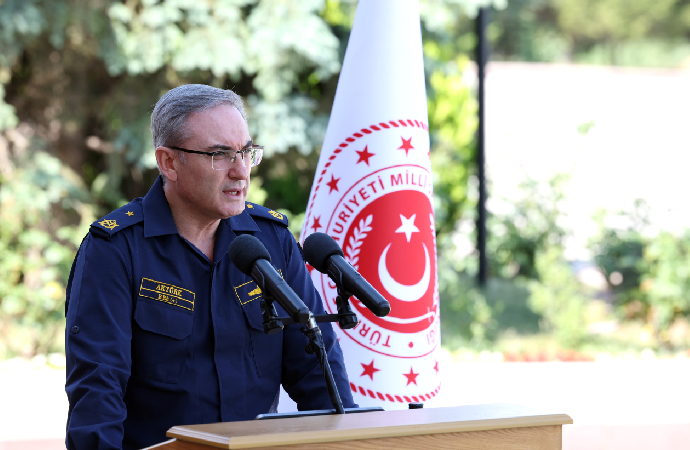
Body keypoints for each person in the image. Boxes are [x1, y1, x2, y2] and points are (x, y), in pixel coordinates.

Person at [64, 84, 356, 450]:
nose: (240, 171)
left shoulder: (273, 241)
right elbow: (97, 395)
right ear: (169, 162)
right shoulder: (115, 250)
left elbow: (319, 373)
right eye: (220, 155)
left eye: (246, 152)